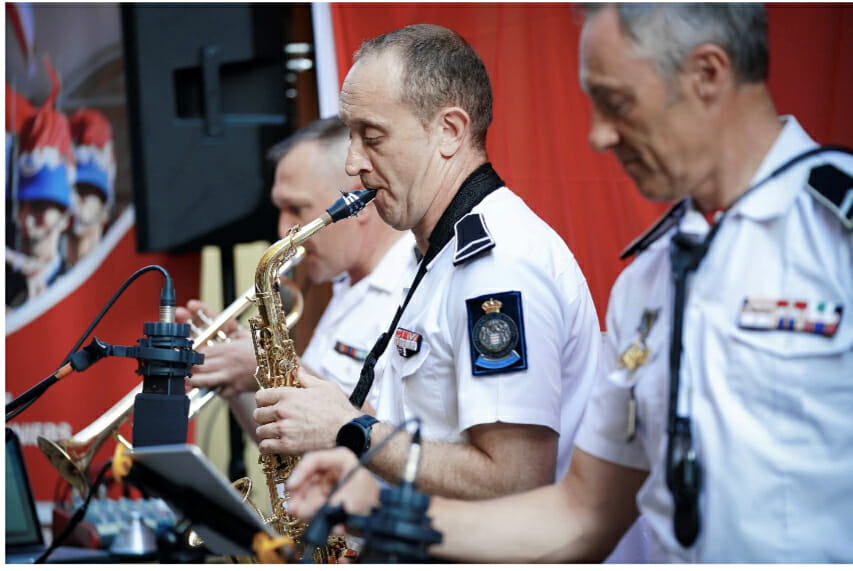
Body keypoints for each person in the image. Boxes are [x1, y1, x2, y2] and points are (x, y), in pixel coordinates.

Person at [285, 4, 853, 563]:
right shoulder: (649, 277)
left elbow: (516, 479)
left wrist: (357, 433)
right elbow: (579, 515)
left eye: (617, 102)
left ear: (708, 74)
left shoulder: (836, 232)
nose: (599, 135)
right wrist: (379, 510)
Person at [252, 23, 602, 504]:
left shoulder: (496, 265)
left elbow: (514, 480)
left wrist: (350, 428)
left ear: (450, 131)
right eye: (351, 136)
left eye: (372, 136)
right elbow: (434, 431)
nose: (353, 163)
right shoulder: (439, 252)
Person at [177, 117, 416, 430]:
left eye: (296, 208)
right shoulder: (346, 287)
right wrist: (232, 375)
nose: (281, 229)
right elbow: (297, 443)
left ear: (359, 202)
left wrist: (273, 366)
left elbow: (395, 442)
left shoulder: (413, 286)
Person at [6, 105, 74, 308]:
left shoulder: (73, 285)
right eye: (22, 206)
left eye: (39, 207)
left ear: (65, 218)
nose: (26, 219)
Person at [67, 108, 116, 266]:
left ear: (105, 211)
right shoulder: (43, 284)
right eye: (68, 190)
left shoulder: (122, 281)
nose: (73, 200)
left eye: (84, 190)